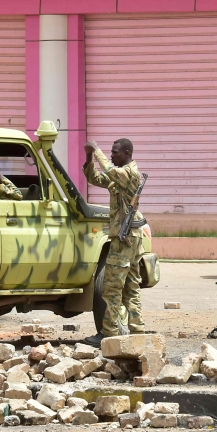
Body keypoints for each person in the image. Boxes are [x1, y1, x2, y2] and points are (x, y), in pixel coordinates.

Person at [81, 138, 147, 347]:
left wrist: (97, 150)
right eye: (111, 152)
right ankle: (137, 330)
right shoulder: (119, 175)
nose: (112, 155)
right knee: (130, 286)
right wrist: (89, 156)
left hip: (125, 239)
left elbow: (109, 170)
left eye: (116, 152)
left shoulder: (130, 174)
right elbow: (95, 178)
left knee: (112, 287)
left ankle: (108, 332)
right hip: (131, 238)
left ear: (127, 153)